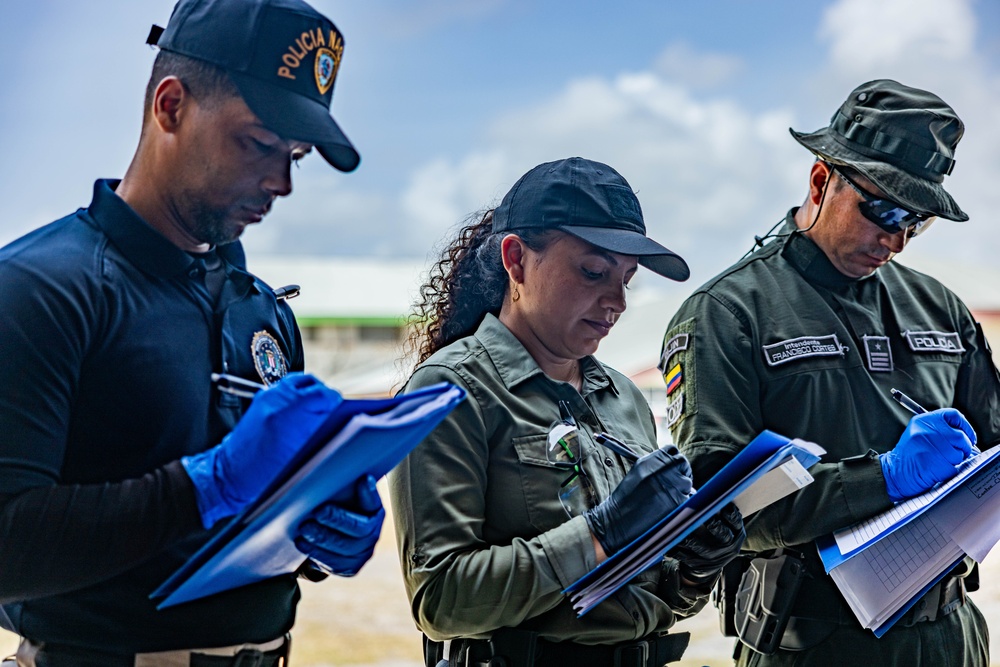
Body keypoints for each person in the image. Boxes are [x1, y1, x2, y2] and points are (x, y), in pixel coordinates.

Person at [0, 0, 384, 664]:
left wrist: (320, 519)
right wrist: (206, 485)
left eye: (296, 155)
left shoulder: (264, 310)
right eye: (260, 143)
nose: (283, 182)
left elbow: (259, 524)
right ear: (170, 106)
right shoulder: (39, 289)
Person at [661, 79, 1000, 666]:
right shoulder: (729, 312)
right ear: (822, 180)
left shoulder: (939, 307)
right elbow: (721, 513)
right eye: (885, 209)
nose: (895, 239)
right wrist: (883, 478)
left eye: (916, 221)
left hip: (951, 635)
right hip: (812, 643)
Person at [390, 157, 746, 667]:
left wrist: (692, 569)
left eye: (627, 279)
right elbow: (441, 600)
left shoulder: (623, 398)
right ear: (516, 262)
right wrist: (600, 533)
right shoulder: (450, 391)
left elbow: (646, 599)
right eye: (594, 271)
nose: (617, 300)